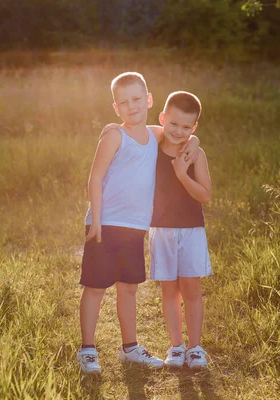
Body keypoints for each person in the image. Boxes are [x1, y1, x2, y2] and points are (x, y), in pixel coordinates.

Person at [76, 72, 200, 374]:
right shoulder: (115, 135)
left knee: (128, 288)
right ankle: (87, 349)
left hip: (135, 227)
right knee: (95, 287)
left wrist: (194, 139)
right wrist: (97, 221)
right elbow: (94, 176)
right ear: (116, 108)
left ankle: (130, 348)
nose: (131, 106)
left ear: (148, 100)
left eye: (136, 99)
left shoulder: (154, 134)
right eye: (123, 102)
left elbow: (179, 134)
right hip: (105, 225)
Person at [149, 91, 212, 369]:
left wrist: (182, 174)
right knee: (169, 291)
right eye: (173, 124)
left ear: (194, 127)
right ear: (163, 119)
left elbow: (205, 196)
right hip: (160, 229)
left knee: (191, 289)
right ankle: (176, 346)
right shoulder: (153, 144)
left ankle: (194, 347)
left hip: (191, 231)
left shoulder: (195, 154)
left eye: (187, 127)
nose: (179, 131)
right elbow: (141, 129)